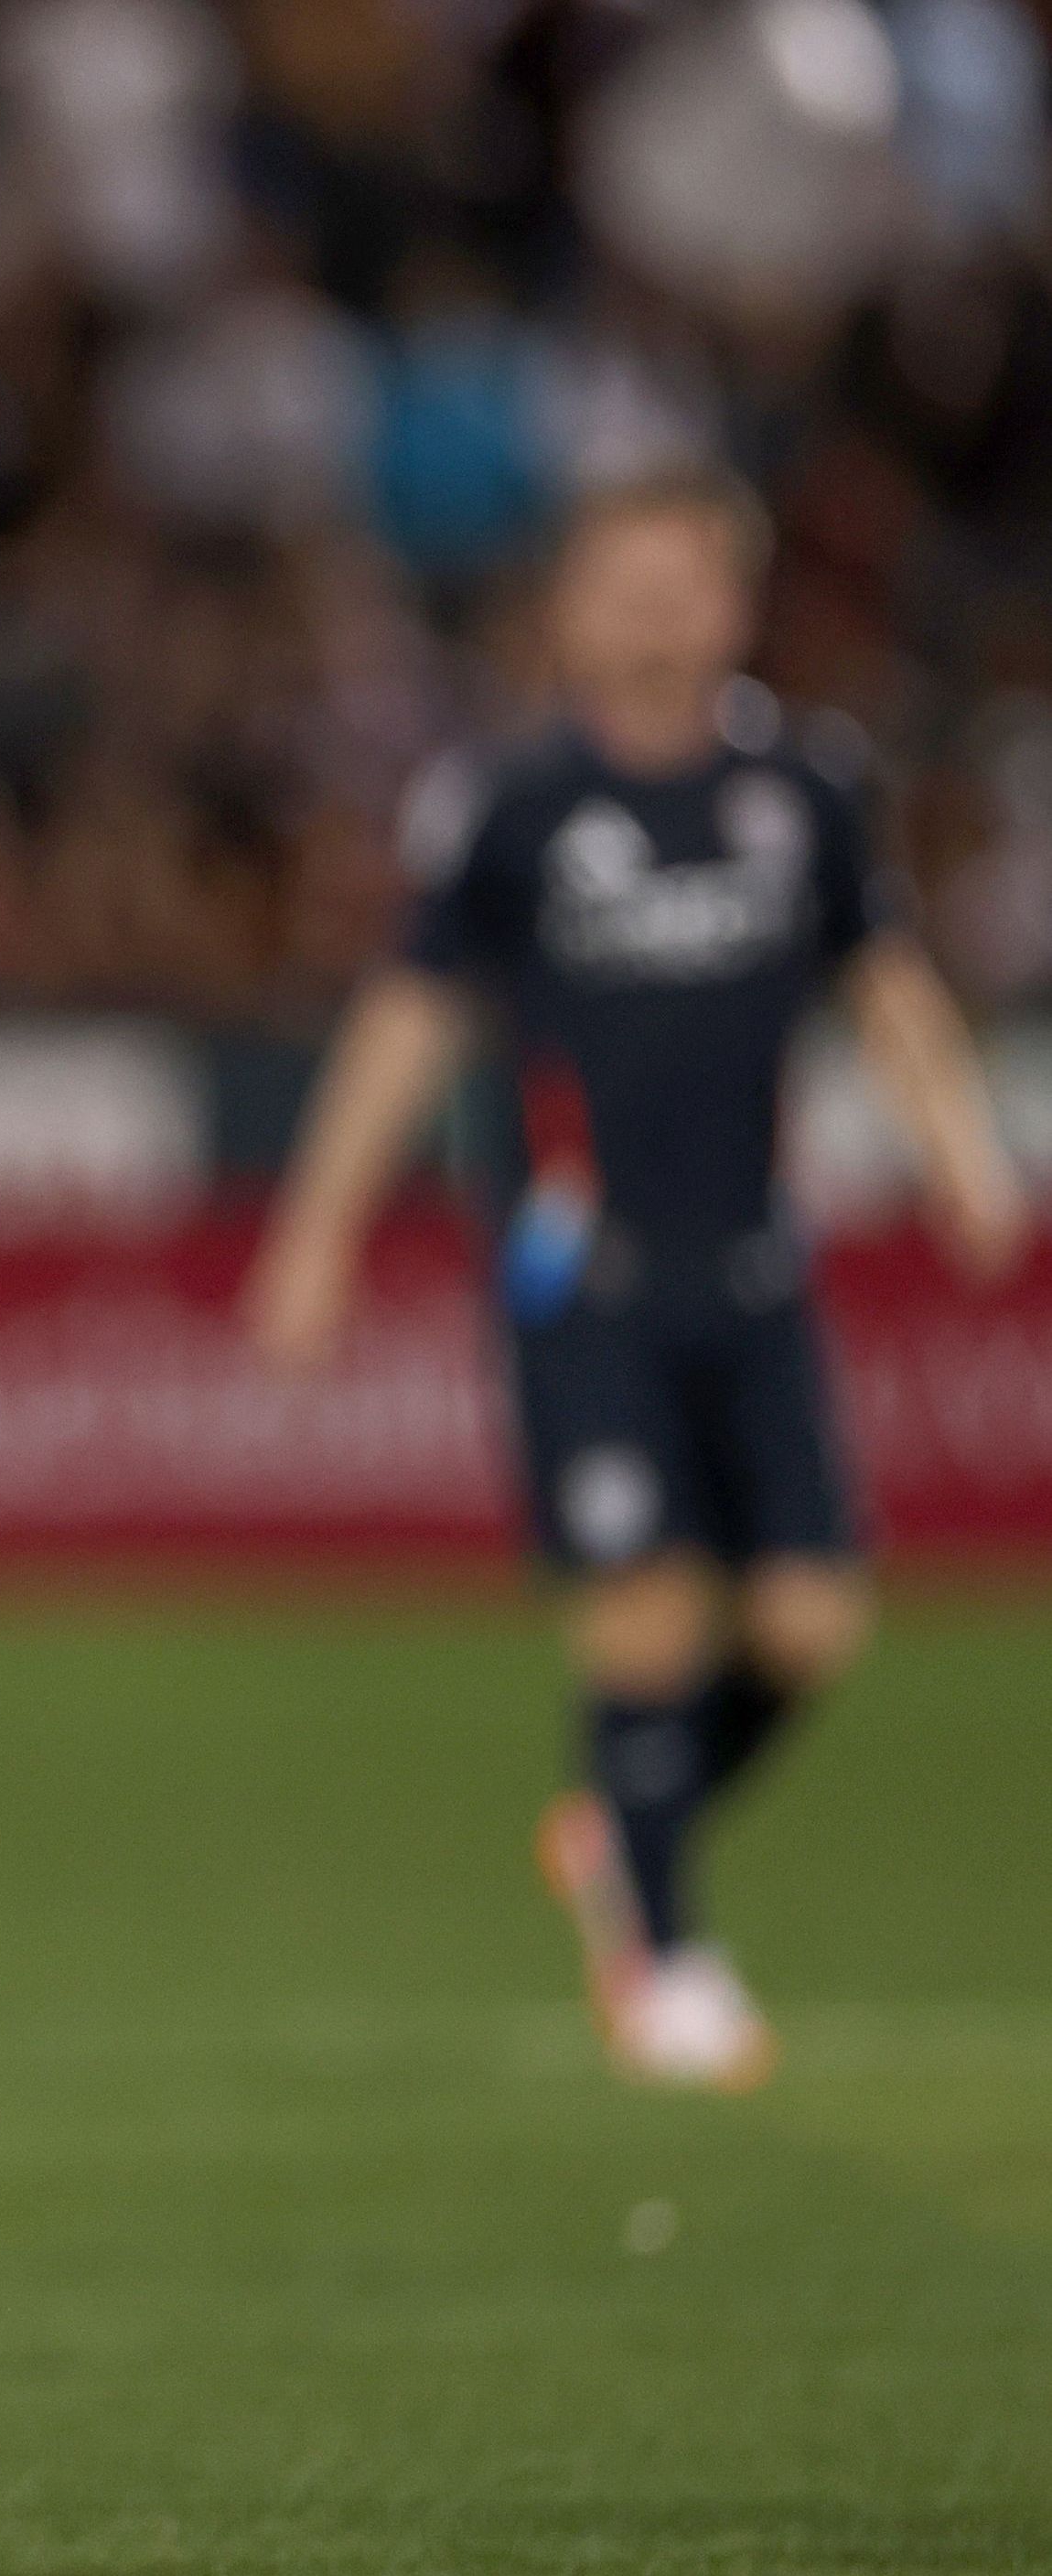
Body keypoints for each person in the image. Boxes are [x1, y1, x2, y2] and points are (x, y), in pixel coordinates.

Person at [245, 471, 1025, 2090]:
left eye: (687, 580)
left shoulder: (800, 787)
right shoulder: (509, 805)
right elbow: (411, 1020)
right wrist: (316, 1230)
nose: (657, 608)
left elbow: (877, 981)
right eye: (625, 579)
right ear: (569, 607)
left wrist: (959, 1148)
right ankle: (668, 1957)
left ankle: (624, 1830)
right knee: (647, 1617)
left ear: (735, 605)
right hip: (577, 1277)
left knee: (809, 1625)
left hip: (754, 1267)